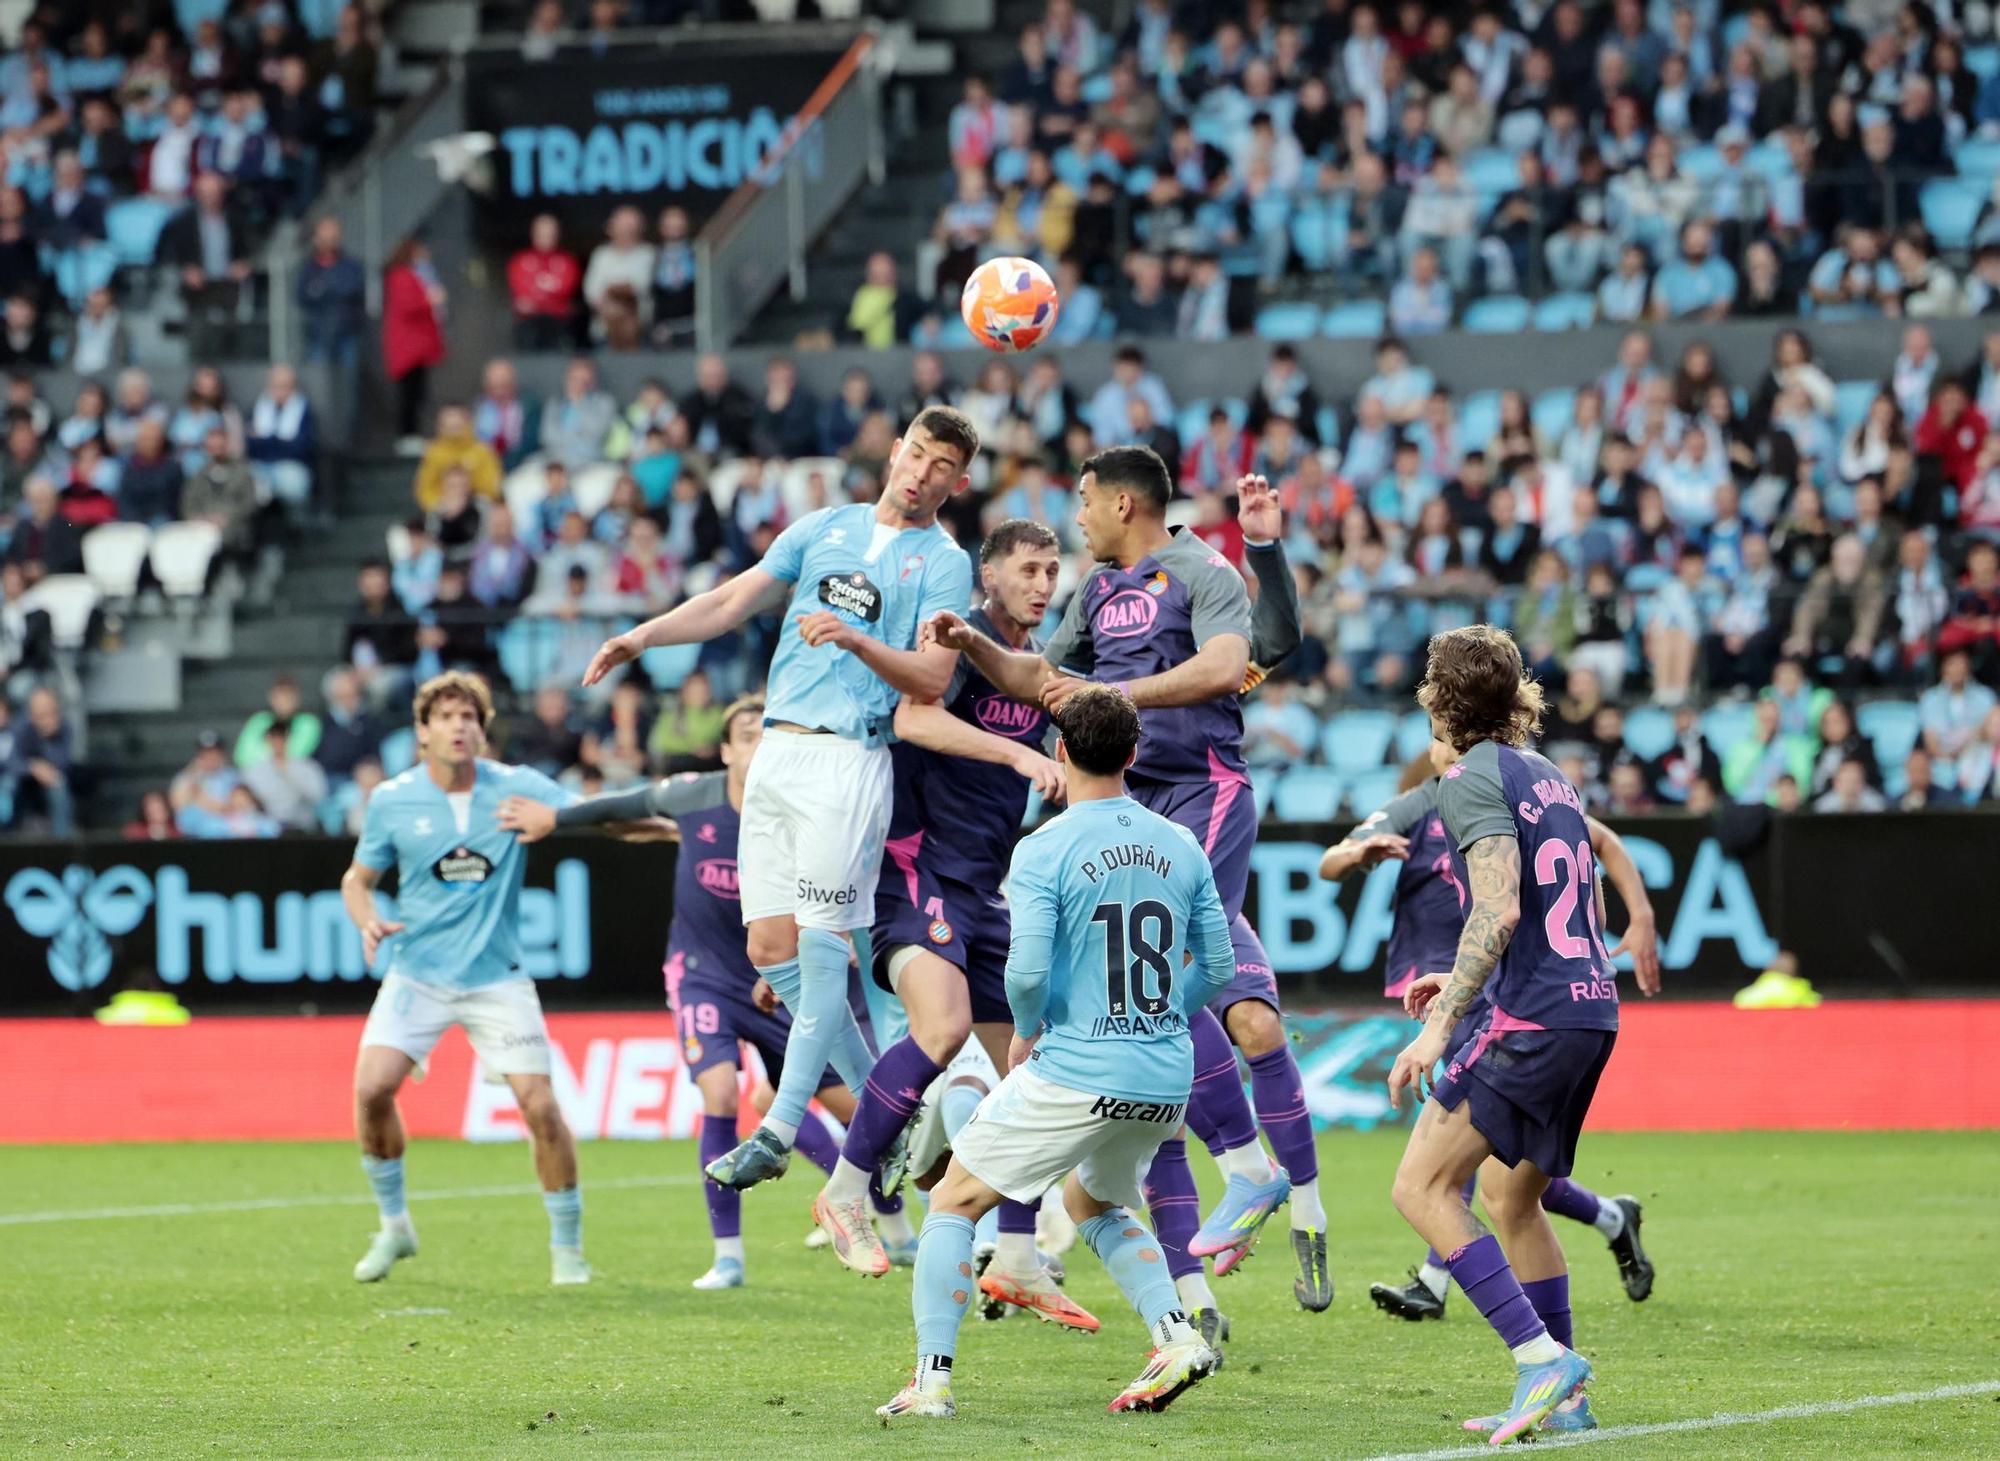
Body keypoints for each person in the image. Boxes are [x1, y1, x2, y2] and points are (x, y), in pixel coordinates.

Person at [933, 455, 1329, 1333]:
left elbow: (1231, 663)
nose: (1074, 516)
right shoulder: (1097, 590)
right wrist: (974, 646)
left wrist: (1117, 692)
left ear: (1121, 501)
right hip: (1132, 809)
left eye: (1081, 500)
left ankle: (1249, 1166)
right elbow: (1044, 680)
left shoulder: (1201, 571)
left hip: (1204, 792)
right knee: (1212, 1008)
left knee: (1168, 978)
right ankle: (1192, 1278)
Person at [582, 406, 981, 1191]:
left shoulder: (943, 562)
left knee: (822, 944)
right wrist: (643, 636)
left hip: (850, 757)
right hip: (776, 750)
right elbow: (732, 601)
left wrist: (859, 640)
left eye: (942, 467)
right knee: (770, 947)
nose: (922, 473)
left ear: (957, 483)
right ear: (895, 450)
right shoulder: (822, 526)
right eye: (918, 455)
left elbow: (933, 679)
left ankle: (780, 1126)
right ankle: (885, 1107)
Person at [875, 685, 1232, 1422]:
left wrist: (1030, 1030)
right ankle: (1175, 1334)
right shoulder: (1181, 842)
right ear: (1135, 755)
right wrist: (1162, 1016)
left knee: (952, 1198)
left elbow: (1027, 971)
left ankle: (931, 1383)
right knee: (1092, 1199)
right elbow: (1218, 968)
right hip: (1165, 1072)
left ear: (1058, 751)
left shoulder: (1044, 846)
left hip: (1081, 1064)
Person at [499, 697, 872, 1289]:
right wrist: (558, 819)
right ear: (725, 750)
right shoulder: (692, 796)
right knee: (721, 1091)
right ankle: (728, 1257)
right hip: (704, 976)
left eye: (767, 736)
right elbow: (623, 807)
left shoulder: (803, 811)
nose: (757, 746)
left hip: (777, 979)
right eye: (745, 735)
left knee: (864, 1108)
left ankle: (893, 1221)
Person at [808, 519, 1076, 1298]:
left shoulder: (1037, 665)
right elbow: (913, 718)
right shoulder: (952, 641)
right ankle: (849, 1187)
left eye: (1052, 569)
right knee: (942, 1028)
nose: (1042, 582)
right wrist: (1020, 752)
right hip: (916, 866)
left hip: (983, 889)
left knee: (1027, 1069)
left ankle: (1019, 1256)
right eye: (1028, 567)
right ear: (988, 575)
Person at [1319, 757, 1660, 1326]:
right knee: (1512, 1184)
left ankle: (1449, 1287)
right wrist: (1355, 856)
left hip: (1502, 996)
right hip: (1479, 986)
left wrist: (1641, 913)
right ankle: (1609, 1220)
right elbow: (1332, 861)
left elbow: (1594, 849)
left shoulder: (1484, 790)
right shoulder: (1426, 803)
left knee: (1451, 1169)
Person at [1383, 625, 1615, 1442]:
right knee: (1511, 1198)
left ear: (1437, 699)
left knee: (1419, 1186)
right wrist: (1462, 974)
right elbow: (1548, 907)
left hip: (1534, 1018)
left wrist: (1436, 1029)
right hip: (1590, 1008)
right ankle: (1570, 1400)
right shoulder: (1550, 775)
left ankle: (1540, 1359)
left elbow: (1501, 904)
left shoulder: (1466, 778)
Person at [340, 672, 590, 1287]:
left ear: (483, 729)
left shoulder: (518, 787)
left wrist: (666, 826)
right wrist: (367, 920)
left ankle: (567, 1249)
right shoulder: (393, 800)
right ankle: (395, 1226)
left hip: (496, 977)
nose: (460, 726)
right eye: (447, 716)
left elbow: (590, 814)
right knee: (372, 1090)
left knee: (540, 1106)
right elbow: (357, 880)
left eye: (470, 717)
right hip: (418, 973)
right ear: (422, 732)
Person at [382, 239, 446, 452]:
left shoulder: (416, 275)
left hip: (418, 347)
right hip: (409, 347)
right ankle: (407, 436)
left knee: (418, 393)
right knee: (409, 394)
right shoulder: (401, 276)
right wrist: (429, 299)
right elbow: (408, 305)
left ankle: (414, 434)